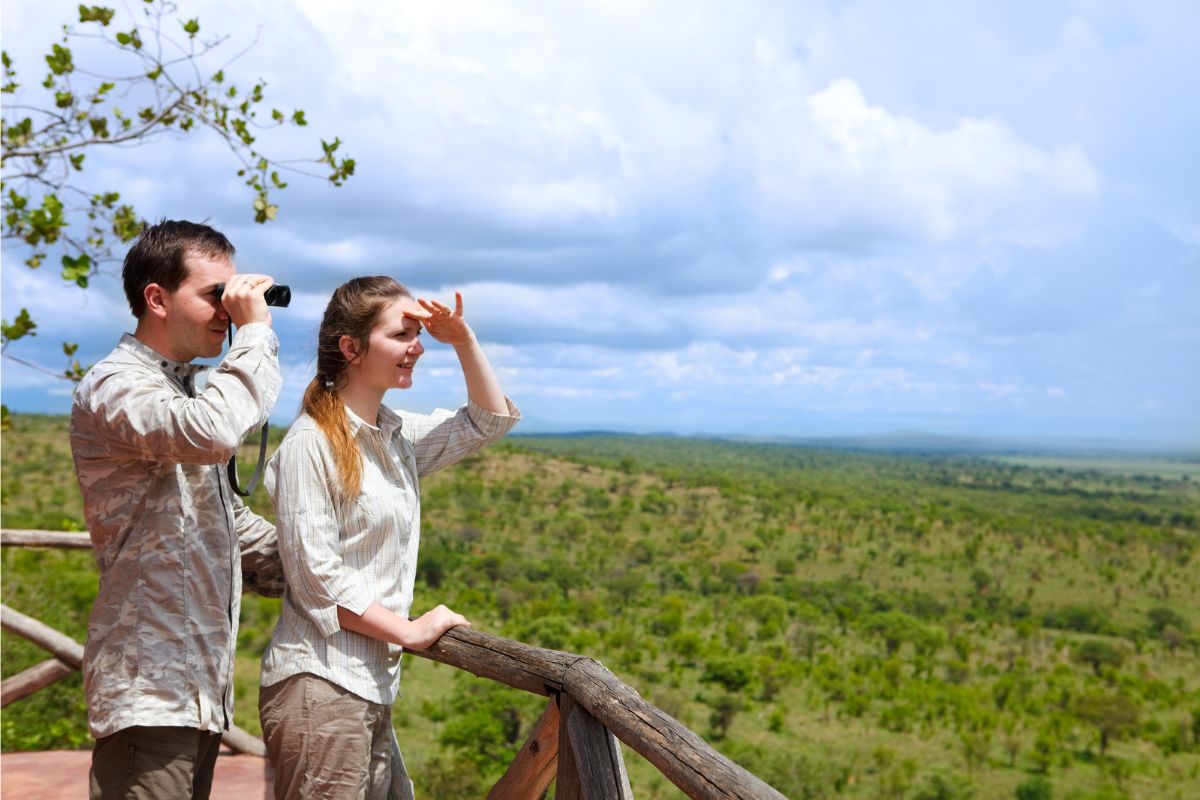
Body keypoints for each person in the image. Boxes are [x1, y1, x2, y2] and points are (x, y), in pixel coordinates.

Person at [258, 276, 519, 799]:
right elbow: (318, 581)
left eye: (419, 335)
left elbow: (487, 420)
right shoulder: (312, 445)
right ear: (351, 348)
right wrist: (410, 631)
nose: (417, 347)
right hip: (322, 686)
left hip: (369, 686)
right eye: (403, 335)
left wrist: (463, 339)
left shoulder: (394, 439)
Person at [69, 220, 286, 799]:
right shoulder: (115, 385)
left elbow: (220, 522)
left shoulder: (186, 389)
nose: (228, 309)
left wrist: (314, 563)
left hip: (197, 692)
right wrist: (254, 337)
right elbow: (214, 433)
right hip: (149, 692)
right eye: (215, 294)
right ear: (157, 298)